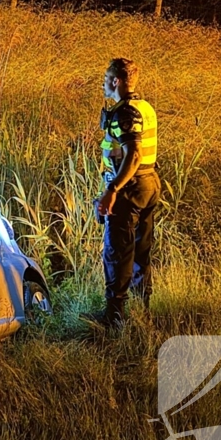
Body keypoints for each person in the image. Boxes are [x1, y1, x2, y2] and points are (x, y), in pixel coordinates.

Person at [83, 58, 160, 328]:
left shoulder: (125, 112)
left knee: (117, 253)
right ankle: (141, 313)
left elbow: (134, 154)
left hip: (128, 189)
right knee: (140, 252)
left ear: (116, 81)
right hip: (148, 184)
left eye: (106, 77)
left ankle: (114, 318)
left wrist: (112, 189)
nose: (102, 82)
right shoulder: (145, 107)